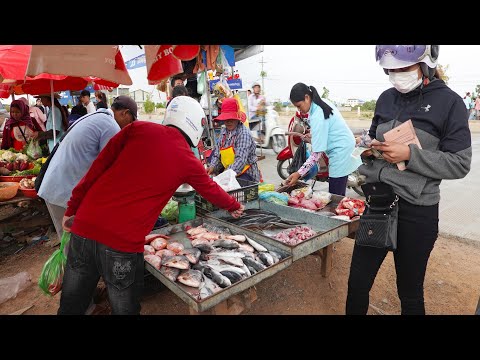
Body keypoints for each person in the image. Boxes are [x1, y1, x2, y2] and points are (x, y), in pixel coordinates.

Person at [57, 96, 244, 315]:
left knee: (71, 304)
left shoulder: (136, 129)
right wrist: (233, 205)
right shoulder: (187, 159)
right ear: (195, 126)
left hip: (85, 226)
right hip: (122, 242)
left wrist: (72, 209)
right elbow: (210, 190)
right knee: (125, 308)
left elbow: (96, 168)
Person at [346, 45, 472, 315]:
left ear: (426, 64)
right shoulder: (385, 99)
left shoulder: (449, 103)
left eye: (403, 68)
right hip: (378, 204)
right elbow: (372, 139)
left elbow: (460, 164)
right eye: (390, 70)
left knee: (410, 292)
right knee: (357, 283)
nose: (396, 75)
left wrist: (410, 155)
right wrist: (371, 150)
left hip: (418, 212)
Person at [38, 96, 135, 242]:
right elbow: (110, 168)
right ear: (124, 113)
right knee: (75, 246)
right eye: (131, 121)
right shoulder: (110, 126)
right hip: (64, 192)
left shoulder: (94, 117)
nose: (129, 127)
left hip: (54, 185)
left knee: (68, 245)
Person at [284, 83, 361, 196]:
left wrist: (298, 173)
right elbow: (327, 127)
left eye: (299, 106)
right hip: (346, 145)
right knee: (337, 191)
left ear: (306, 97)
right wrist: (314, 135)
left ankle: (338, 213)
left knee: (336, 195)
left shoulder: (317, 115)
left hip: (340, 152)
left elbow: (316, 154)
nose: (299, 110)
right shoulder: (320, 102)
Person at [207, 97, 260, 182]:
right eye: (226, 119)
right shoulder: (224, 132)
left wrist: (224, 175)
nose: (228, 121)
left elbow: (240, 161)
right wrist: (212, 167)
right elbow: (217, 154)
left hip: (246, 174)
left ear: (237, 118)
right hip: (229, 171)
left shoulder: (243, 134)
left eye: (231, 118)